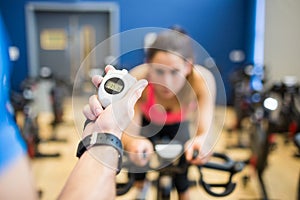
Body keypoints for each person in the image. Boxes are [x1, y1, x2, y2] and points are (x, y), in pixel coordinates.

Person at [88, 29, 216, 200]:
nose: (167, 82)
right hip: (146, 125)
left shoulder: (202, 80)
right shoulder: (138, 78)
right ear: (148, 65)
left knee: (183, 179)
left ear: (188, 66)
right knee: (139, 166)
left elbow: (204, 130)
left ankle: (183, 190)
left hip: (179, 125)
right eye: (160, 71)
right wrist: (134, 143)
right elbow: (128, 130)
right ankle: (141, 186)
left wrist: (201, 142)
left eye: (174, 72)